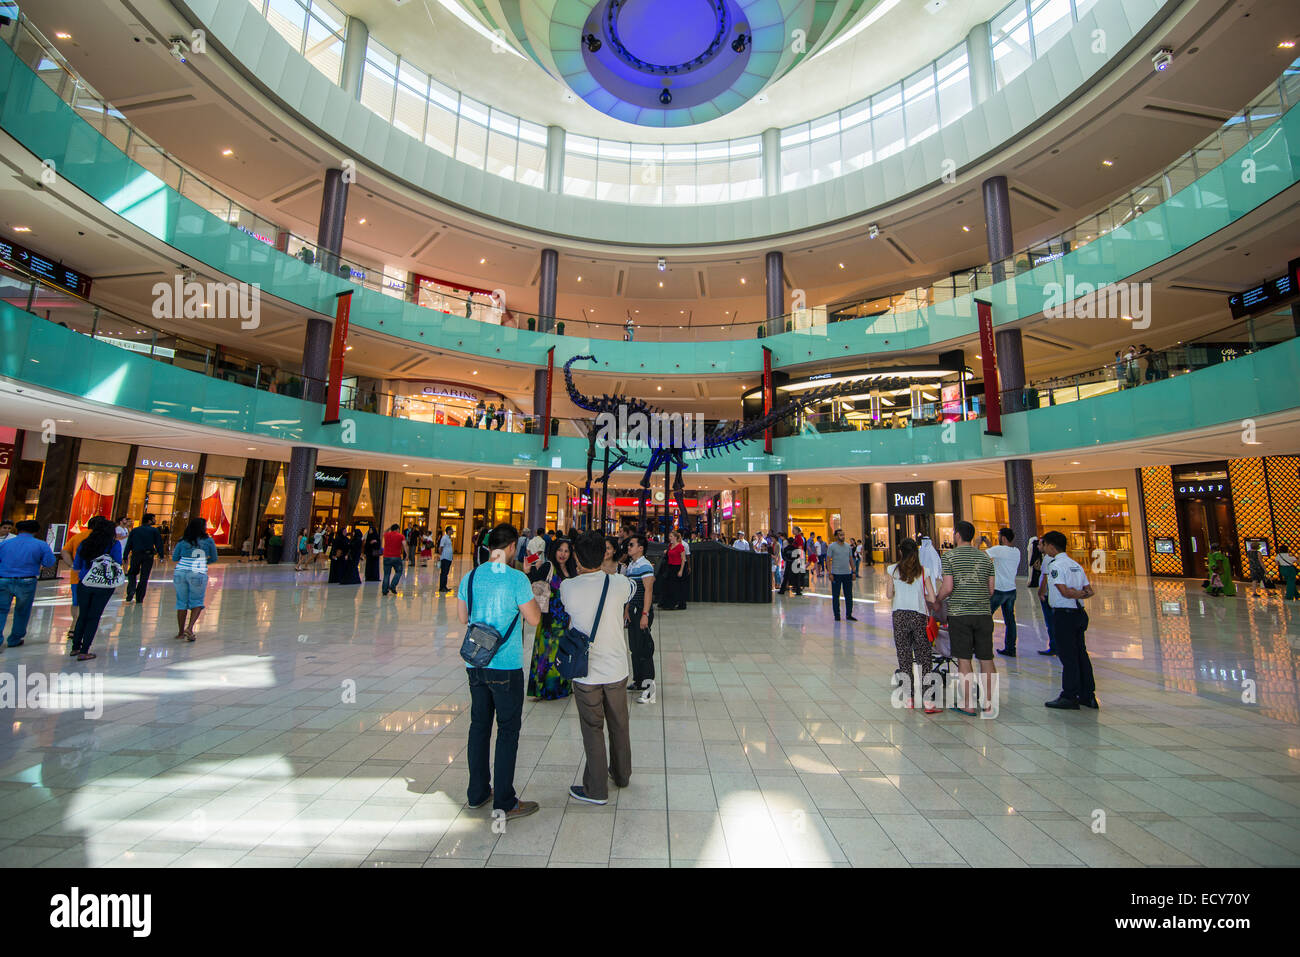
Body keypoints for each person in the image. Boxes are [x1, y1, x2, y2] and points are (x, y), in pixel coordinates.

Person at [456, 523, 541, 820]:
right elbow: (533, 620)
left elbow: (463, 618)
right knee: (507, 731)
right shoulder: (517, 579)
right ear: (511, 547)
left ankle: (477, 793)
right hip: (505, 666)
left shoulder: (470, 576)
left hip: (475, 664)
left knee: (478, 727)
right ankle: (504, 800)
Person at [560, 531, 634, 805]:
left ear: (577, 557)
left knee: (592, 727)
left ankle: (596, 789)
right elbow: (633, 591)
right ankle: (622, 774)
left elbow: (569, 608)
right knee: (619, 723)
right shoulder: (618, 583)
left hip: (585, 670)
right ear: (604, 554)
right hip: (616, 667)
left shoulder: (569, 587)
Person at [936, 521, 996, 716]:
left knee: (964, 659)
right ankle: (988, 704)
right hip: (983, 614)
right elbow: (991, 590)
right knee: (986, 658)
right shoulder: (986, 558)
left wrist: (937, 600)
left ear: (957, 535)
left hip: (959, 614)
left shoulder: (950, 556)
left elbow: (948, 587)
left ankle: (968, 703)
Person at [1040, 530, 1098, 710]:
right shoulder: (1075, 565)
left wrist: (1075, 594)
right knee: (1081, 654)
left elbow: (1064, 591)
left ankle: (1069, 695)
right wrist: (1080, 594)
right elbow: (1089, 591)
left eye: (1045, 545)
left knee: (1068, 656)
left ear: (1051, 546)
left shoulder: (1056, 566)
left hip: (1064, 615)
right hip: (1079, 613)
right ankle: (1087, 694)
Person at [886, 539, 939, 713]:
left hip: (899, 615)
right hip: (918, 615)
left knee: (904, 655)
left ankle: (909, 698)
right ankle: (928, 700)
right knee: (924, 657)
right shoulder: (923, 571)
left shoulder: (892, 569)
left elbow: (888, 594)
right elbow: (931, 597)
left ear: (900, 551)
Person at [526, 538, 575, 701]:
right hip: (549, 618)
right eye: (560, 550)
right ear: (554, 551)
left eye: (566, 551)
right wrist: (530, 563)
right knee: (546, 654)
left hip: (565, 619)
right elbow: (534, 580)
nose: (563, 554)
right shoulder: (548, 566)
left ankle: (560, 688)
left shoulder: (571, 569)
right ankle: (543, 689)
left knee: (561, 653)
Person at [70, 516, 123, 661]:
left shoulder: (85, 543)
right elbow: (118, 562)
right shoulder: (114, 544)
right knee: (94, 616)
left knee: (83, 615)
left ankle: (75, 647)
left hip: (85, 582)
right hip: (103, 584)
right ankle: (84, 650)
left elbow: (77, 565)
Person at [0, 519, 57, 647]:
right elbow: (49, 562)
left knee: (1, 610)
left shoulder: (5, 544)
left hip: (4, 579)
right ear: (36, 531)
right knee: (22, 610)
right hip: (27, 580)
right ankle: (15, 639)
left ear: (17, 530)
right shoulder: (41, 545)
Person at [172, 517, 218, 641]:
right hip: (198, 573)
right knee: (196, 601)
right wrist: (201, 561)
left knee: (181, 602)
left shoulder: (183, 541)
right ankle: (190, 628)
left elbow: (175, 557)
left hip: (180, 572)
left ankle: (180, 632)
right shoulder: (208, 541)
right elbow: (214, 558)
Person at [623, 533, 656, 702]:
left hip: (642, 612)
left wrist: (645, 614)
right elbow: (631, 590)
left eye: (631, 545)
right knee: (634, 647)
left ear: (641, 548)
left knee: (644, 649)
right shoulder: (631, 565)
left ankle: (649, 686)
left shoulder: (645, 566)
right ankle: (638, 680)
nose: (628, 547)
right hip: (633, 611)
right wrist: (627, 609)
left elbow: (648, 591)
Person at [985, 527, 1021, 657]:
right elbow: (998, 557)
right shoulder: (1016, 551)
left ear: (1004, 538)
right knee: (1010, 620)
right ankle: (1011, 648)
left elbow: (982, 556)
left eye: (999, 536)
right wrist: (990, 545)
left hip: (998, 590)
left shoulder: (999, 550)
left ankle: (983, 646)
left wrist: (978, 544)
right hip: (1011, 590)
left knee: (985, 618)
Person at [123, 513, 165, 605]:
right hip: (148, 555)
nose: (155, 521)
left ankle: (131, 589)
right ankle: (139, 597)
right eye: (154, 519)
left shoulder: (135, 530)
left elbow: (129, 543)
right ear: (149, 520)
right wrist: (161, 556)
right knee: (144, 576)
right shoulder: (154, 531)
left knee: (132, 573)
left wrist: (125, 555)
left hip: (136, 554)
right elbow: (158, 543)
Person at [827, 529, 857, 621]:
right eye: (840, 535)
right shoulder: (832, 547)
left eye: (843, 535)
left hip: (847, 574)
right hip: (836, 574)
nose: (842, 537)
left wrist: (853, 571)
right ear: (836, 536)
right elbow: (828, 560)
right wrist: (830, 573)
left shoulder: (848, 546)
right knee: (836, 596)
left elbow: (851, 559)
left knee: (849, 595)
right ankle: (837, 615)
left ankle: (849, 614)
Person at [664, 530, 687, 609]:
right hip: (670, 567)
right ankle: (669, 603)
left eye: (671, 536)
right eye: (669, 536)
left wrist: (681, 570)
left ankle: (677, 603)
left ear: (675, 537)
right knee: (670, 586)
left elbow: (683, 559)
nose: (669, 538)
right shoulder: (670, 546)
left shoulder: (680, 546)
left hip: (677, 567)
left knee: (677, 587)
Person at [381, 523, 406, 595]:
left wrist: (389, 528)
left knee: (386, 574)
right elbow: (404, 545)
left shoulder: (386, 535)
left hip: (386, 557)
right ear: (397, 529)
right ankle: (393, 585)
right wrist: (407, 554)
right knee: (399, 571)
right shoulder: (401, 536)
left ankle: (385, 590)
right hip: (396, 557)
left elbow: (383, 533)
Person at [439, 526, 455, 592]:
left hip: (448, 558)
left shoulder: (449, 538)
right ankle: (442, 587)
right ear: (448, 531)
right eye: (452, 530)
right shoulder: (444, 538)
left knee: (446, 573)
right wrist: (441, 555)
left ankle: (444, 586)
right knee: (444, 573)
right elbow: (440, 547)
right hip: (445, 558)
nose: (453, 531)